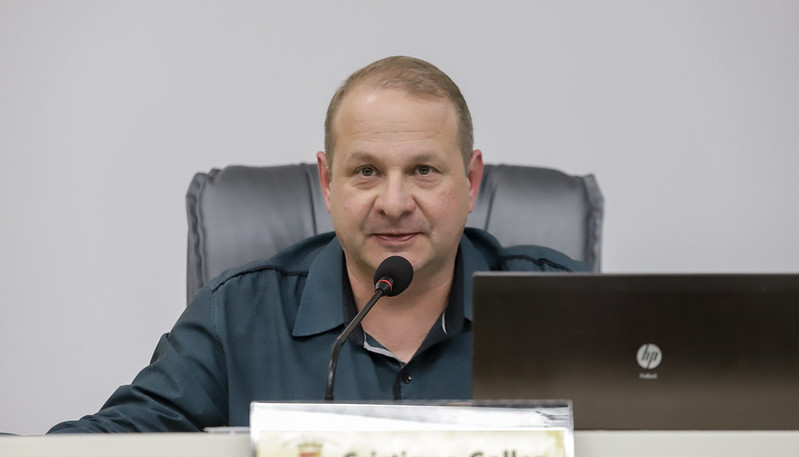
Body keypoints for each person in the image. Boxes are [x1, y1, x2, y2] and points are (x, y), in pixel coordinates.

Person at [49, 56, 587, 433]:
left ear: (470, 182)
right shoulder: (236, 316)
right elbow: (113, 441)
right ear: (328, 183)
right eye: (366, 171)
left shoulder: (565, 306)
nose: (394, 202)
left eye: (423, 170)